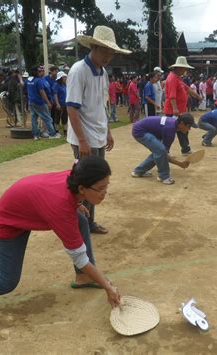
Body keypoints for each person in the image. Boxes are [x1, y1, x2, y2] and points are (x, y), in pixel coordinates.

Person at [0, 156, 121, 328]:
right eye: (101, 188)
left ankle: (84, 277)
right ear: (82, 188)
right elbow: (78, 256)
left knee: (79, 219)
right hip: (7, 222)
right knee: (5, 282)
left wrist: (78, 204)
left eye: (107, 186)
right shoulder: (60, 206)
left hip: (25, 209)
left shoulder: (76, 176)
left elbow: (56, 194)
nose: (105, 192)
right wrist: (107, 286)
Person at [67, 25, 131, 235]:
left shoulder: (102, 72)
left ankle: (88, 221)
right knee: (86, 182)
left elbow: (102, 105)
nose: (108, 56)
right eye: (105, 51)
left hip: (98, 135)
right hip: (83, 138)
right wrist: (82, 141)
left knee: (97, 180)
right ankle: (81, 222)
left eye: (111, 52)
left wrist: (108, 131)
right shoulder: (78, 70)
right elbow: (72, 108)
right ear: (93, 47)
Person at [131, 113, 196, 185]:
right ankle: (164, 177)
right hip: (140, 131)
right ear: (182, 123)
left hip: (145, 129)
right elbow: (164, 153)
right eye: (188, 126)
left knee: (158, 151)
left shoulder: (173, 124)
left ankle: (138, 171)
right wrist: (179, 164)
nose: (189, 129)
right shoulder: (170, 130)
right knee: (160, 150)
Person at [163, 56, 201, 155]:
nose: (185, 70)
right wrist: (175, 109)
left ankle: (185, 149)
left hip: (180, 110)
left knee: (183, 130)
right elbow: (172, 96)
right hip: (173, 110)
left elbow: (187, 88)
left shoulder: (178, 78)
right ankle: (165, 151)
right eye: (184, 68)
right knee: (170, 131)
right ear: (179, 68)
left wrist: (196, 95)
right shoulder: (172, 79)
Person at [26, 65, 60, 140]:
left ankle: (36, 135)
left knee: (33, 118)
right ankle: (52, 134)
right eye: (40, 71)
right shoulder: (39, 81)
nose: (42, 72)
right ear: (36, 72)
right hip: (39, 102)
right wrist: (48, 102)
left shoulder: (29, 80)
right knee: (47, 118)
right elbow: (42, 92)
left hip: (31, 101)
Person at [53, 71, 68, 135]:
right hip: (59, 104)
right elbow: (55, 94)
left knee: (65, 117)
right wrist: (57, 104)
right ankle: (56, 131)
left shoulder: (64, 85)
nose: (65, 78)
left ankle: (65, 131)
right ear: (60, 78)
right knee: (57, 117)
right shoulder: (56, 85)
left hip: (65, 104)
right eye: (64, 77)